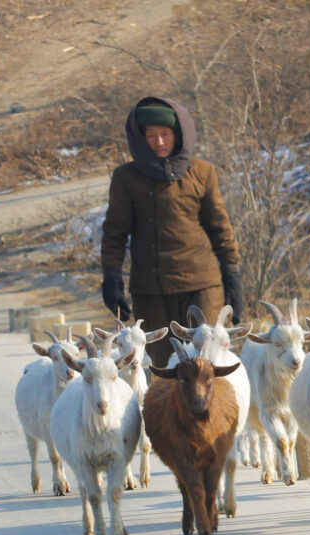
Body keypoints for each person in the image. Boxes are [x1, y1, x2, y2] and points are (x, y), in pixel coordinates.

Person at [100, 96, 245, 367]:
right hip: (151, 290)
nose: (159, 142)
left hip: (202, 285)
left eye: (165, 134)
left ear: (178, 135)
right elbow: (115, 234)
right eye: (151, 135)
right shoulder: (126, 178)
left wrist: (232, 275)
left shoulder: (202, 172)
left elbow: (220, 227)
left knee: (207, 365)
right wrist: (112, 279)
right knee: (165, 368)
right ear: (140, 139)